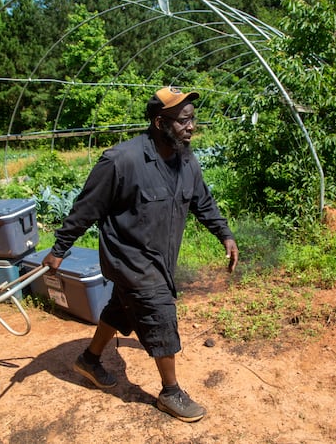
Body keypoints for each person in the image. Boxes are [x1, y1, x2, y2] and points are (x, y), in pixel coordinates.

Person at [41, 86, 239, 422]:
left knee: (121, 309)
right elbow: (85, 208)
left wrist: (225, 234)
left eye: (193, 119)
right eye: (183, 121)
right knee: (160, 312)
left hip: (160, 259)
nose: (191, 127)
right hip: (130, 258)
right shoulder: (121, 161)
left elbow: (202, 201)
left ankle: (89, 359)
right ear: (160, 123)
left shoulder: (185, 159)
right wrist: (59, 249)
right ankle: (170, 391)